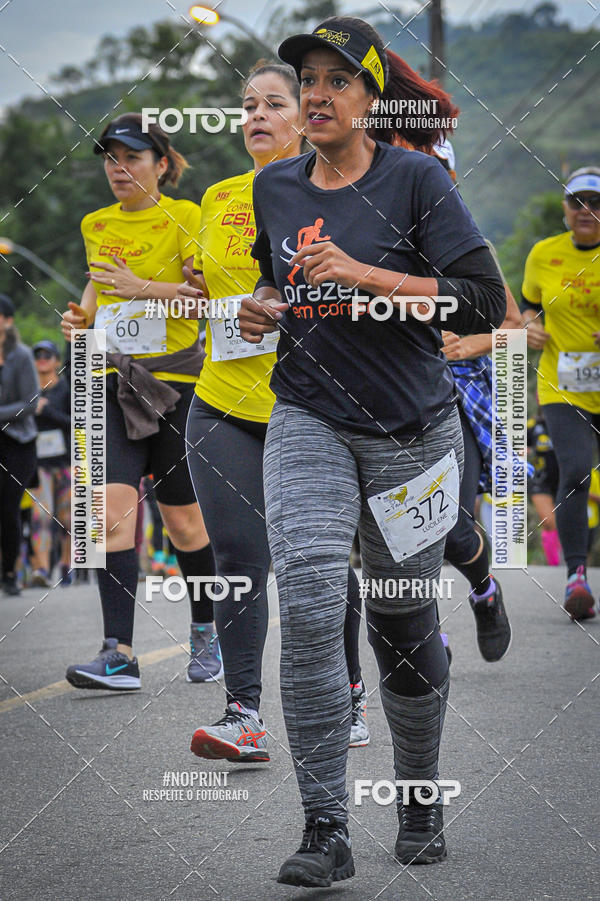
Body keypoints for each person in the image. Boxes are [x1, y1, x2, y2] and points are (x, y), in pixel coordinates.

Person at [239, 16, 505, 883]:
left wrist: (370, 277)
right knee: (314, 598)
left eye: (336, 80)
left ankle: (419, 793)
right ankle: (325, 825)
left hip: (410, 433)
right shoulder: (274, 189)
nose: (315, 94)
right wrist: (260, 304)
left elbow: (480, 302)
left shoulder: (418, 180)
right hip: (307, 415)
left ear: (370, 98)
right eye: (306, 79)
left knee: (400, 622)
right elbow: (274, 278)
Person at [183, 61, 368, 763]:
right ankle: (243, 714)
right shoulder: (216, 197)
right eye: (247, 105)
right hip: (222, 401)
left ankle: (348, 689)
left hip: (310, 405)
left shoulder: (334, 189)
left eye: (273, 103)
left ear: (306, 115)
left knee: (315, 562)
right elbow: (213, 290)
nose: (257, 114)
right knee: (237, 558)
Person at [60, 113, 218, 690]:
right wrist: (82, 317)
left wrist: (141, 289)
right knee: (107, 515)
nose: (118, 168)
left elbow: (201, 300)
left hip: (177, 387)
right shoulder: (95, 222)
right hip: (111, 382)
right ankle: (118, 652)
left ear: (161, 163)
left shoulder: (187, 216)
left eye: (130, 158)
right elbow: (98, 288)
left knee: (183, 522)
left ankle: (207, 628)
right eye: (109, 158)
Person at [521, 166, 600, 620]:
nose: (586, 210)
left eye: (596, 203)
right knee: (573, 471)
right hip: (562, 384)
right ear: (565, 209)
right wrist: (531, 323)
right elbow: (529, 301)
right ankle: (576, 577)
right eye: (577, 202)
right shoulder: (543, 254)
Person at [0, 294, 39, 596]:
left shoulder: (22, 355)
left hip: (18, 442)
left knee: (8, 508)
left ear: (8, 320)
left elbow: (31, 402)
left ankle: (10, 572)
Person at [28, 339, 71, 587]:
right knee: (40, 517)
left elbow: (78, 422)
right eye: (37, 355)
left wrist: (47, 411)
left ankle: (67, 564)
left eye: (47, 354)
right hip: (38, 465)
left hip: (66, 463)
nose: (42, 359)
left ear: (55, 360)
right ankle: (42, 570)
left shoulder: (66, 388)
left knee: (68, 518)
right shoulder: (28, 391)